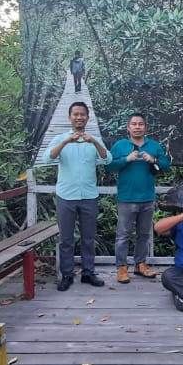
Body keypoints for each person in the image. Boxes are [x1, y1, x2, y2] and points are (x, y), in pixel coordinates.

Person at [46, 101, 111, 291]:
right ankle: (66, 274)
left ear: (87, 117)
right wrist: (66, 142)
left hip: (89, 195)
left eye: (82, 114)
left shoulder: (93, 139)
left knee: (88, 237)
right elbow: (47, 158)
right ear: (70, 117)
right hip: (66, 195)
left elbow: (108, 159)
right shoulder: (60, 138)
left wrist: (95, 141)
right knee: (66, 238)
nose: (79, 117)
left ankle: (88, 273)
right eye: (75, 114)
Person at [107, 113, 172, 284]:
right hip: (126, 198)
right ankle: (121, 268)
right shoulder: (120, 145)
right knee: (123, 235)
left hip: (147, 198)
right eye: (134, 124)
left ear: (145, 127)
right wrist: (126, 159)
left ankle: (140, 264)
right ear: (128, 128)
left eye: (140, 124)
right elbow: (109, 166)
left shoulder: (154, 146)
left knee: (143, 234)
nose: (137, 127)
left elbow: (166, 166)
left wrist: (154, 160)